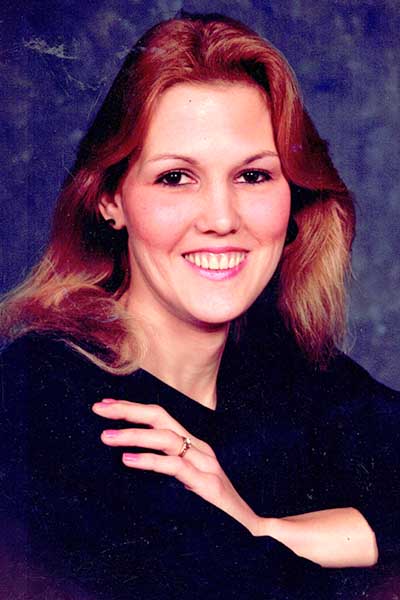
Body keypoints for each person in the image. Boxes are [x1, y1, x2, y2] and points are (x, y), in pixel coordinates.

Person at [0, 11, 399, 600]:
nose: (220, 219)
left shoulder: (288, 372)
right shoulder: (39, 393)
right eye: (175, 178)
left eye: (253, 176)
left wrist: (257, 527)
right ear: (110, 199)